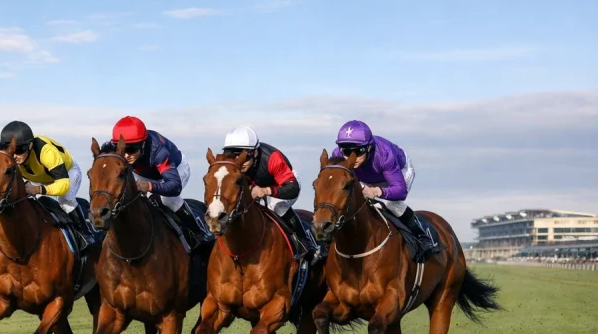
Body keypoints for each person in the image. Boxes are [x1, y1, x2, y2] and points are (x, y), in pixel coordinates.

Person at [105, 115, 206, 249]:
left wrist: (150, 186)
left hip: (175, 170)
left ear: (143, 144)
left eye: (132, 150)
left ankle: (197, 232)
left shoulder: (158, 152)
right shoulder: (114, 149)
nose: (126, 155)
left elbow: (175, 186)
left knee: (167, 200)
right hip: (145, 173)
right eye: (123, 149)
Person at [331, 119, 433, 249]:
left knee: (392, 204)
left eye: (359, 151)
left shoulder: (384, 154)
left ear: (368, 147)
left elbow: (400, 191)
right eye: (347, 151)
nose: (353, 157)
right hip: (366, 179)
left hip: (399, 173)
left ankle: (421, 236)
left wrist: (377, 191)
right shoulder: (337, 156)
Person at [222, 126, 319, 260]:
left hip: (284, 184)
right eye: (233, 155)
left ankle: (305, 243)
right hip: (257, 185)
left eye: (244, 156)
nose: (239, 161)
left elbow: (293, 188)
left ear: (255, 153)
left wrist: (266, 190)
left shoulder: (272, 158)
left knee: (277, 206)